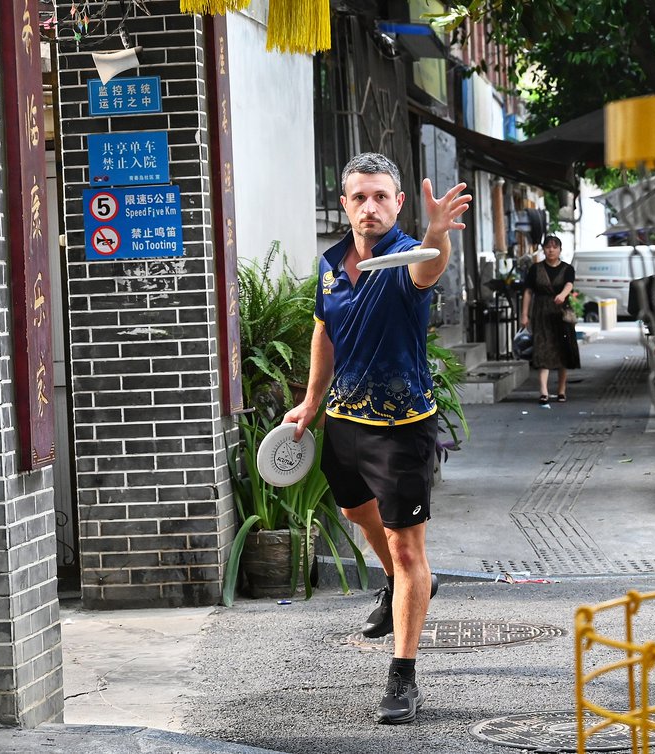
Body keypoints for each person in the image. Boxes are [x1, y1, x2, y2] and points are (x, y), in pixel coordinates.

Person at [283, 152, 471, 726]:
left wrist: (438, 232)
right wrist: (312, 402)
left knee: (408, 546)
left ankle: (403, 676)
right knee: (357, 515)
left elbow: (429, 269)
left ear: (398, 203)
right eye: (359, 197)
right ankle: (400, 585)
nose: (370, 206)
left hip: (401, 427)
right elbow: (324, 331)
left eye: (381, 196)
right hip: (344, 422)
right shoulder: (331, 263)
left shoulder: (407, 253)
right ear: (344, 203)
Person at [519, 235, 581, 403]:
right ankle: (544, 391)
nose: (551, 250)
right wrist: (524, 314)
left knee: (562, 350)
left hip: (561, 315)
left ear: (560, 250)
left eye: (554, 247)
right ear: (544, 249)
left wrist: (562, 295)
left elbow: (569, 284)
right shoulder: (535, 269)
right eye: (548, 247)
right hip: (541, 313)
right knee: (542, 349)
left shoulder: (568, 269)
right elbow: (528, 292)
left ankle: (561, 390)